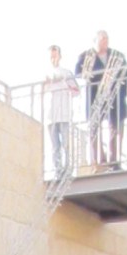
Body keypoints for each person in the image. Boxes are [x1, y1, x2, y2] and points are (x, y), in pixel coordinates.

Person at [75, 31, 127, 168]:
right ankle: (99, 159)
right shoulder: (86, 57)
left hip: (115, 97)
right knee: (95, 128)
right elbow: (78, 72)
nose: (105, 41)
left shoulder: (117, 56)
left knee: (115, 127)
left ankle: (114, 159)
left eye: (106, 38)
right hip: (95, 97)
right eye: (102, 39)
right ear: (95, 41)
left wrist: (123, 89)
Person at [44, 45, 79, 174]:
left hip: (64, 114)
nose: (53, 59)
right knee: (55, 146)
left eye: (55, 55)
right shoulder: (45, 74)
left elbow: (76, 91)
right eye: (51, 57)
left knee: (66, 144)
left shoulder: (66, 73)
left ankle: (68, 169)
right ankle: (57, 170)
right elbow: (41, 91)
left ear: (60, 56)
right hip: (50, 115)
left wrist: (63, 82)